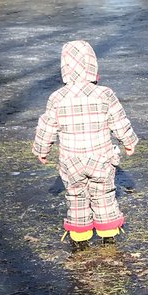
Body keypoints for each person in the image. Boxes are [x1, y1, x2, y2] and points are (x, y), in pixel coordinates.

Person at [33, 40, 137, 253]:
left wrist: (41, 150)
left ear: (64, 70)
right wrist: (128, 142)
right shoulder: (104, 94)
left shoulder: (57, 98)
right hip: (101, 158)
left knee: (76, 196)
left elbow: (47, 126)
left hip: (71, 161)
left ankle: (80, 237)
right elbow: (119, 121)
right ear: (93, 68)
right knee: (104, 193)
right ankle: (108, 235)